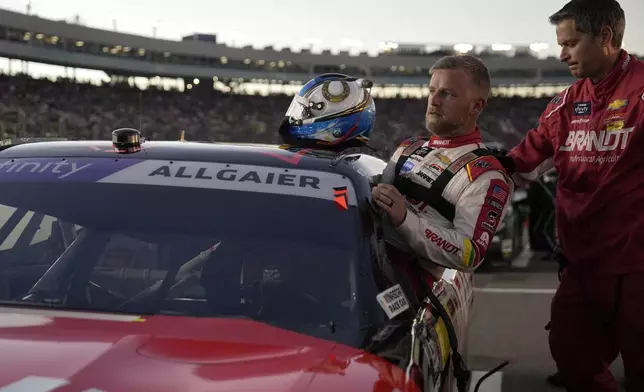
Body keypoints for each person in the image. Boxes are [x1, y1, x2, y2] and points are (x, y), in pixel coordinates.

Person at [506, 1, 644, 391]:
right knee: (571, 355)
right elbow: (522, 162)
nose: (562, 53)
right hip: (581, 266)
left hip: (637, 267)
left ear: (605, 37)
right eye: (560, 43)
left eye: (570, 42)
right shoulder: (563, 106)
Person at [371, 55, 515, 289]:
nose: (434, 101)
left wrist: (405, 220)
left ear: (476, 106)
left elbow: (470, 254)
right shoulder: (409, 147)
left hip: (409, 291)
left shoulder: (487, 175)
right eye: (432, 91)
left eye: (447, 94)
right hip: (363, 266)